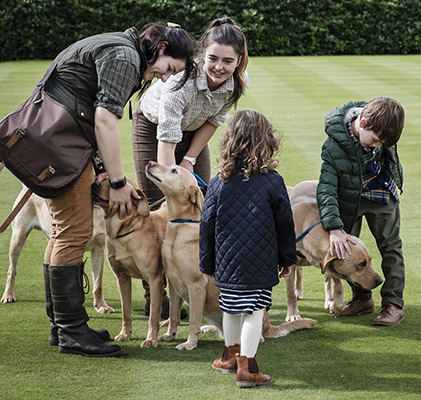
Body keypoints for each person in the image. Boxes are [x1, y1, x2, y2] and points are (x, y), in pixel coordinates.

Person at [18, 23, 196, 358]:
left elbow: (88, 117)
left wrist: (105, 171)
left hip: (59, 140)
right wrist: (116, 182)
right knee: (74, 231)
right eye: (168, 67)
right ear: (159, 47)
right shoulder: (126, 56)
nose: (163, 76)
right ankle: (71, 332)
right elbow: (103, 120)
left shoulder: (119, 46)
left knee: (62, 232)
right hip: (59, 143)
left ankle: (63, 325)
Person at [131, 17, 248, 318]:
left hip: (195, 133)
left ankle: (201, 285)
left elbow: (213, 120)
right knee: (160, 211)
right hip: (154, 128)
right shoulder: (177, 85)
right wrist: (174, 176)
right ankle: (158, 296)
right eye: (212, 59)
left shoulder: (236, 84)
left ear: (239, 61)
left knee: (202, 210)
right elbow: (166, 148)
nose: (219, 67)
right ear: (202, 55)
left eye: (227, 61)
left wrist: (191, 159)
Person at [199, 110, 297, 388]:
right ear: (266, 142)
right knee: (254, 311)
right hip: (261, 261)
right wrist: (287, 258)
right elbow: (284, 224)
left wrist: (207, 264)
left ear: (229, 140)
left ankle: (229, 358)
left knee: (230, 309)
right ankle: (248, 368)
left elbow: (206, 225)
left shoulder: (218, 182)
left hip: (227, 261)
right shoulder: (273, 181)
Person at [317, 97, 406, 326]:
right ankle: (362, 299)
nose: (377, 146)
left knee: (391, 247)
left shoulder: (382, 126)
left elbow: (389, 159)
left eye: (382, 144)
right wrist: (334, 227)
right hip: (349, 200)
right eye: (375, 141)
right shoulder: (333, 145)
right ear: (363, 122)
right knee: (346, 252)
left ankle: (393, 305)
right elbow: (326, 187)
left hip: (381, 193)